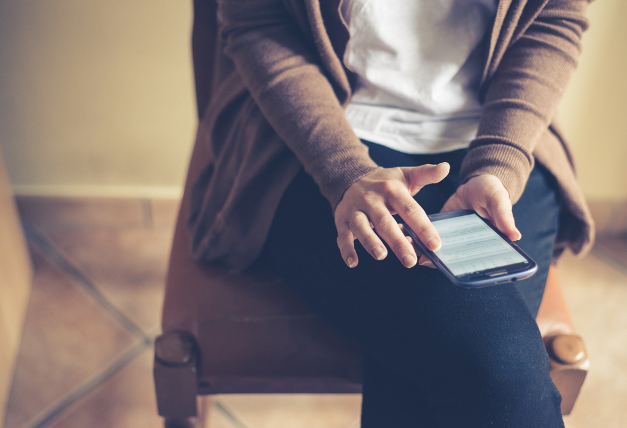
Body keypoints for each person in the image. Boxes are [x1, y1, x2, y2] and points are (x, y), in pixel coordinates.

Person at [187, 0, 595, 426]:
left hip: (500, 129)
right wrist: (344, 171)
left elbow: (554, 17)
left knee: (456, 373)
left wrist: (501, 162)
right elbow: (259, 22)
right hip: (317, 136)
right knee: (498, 375)